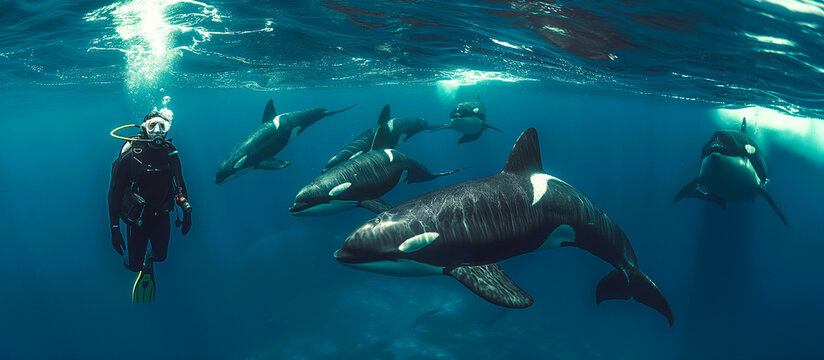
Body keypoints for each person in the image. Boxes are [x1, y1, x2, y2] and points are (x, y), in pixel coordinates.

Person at [108, 109, 192, 302]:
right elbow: (114, 192)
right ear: (144, 128)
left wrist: (187, 212)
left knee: (161, 256)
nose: (157, 131)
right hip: (137, 219)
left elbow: (180, 183)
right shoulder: (131, 154)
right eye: (152, 125)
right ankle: (139, 265)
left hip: (161, 215)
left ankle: (149, 262)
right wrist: (114, 228)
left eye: (163, 126)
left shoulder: (171, 153)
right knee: (133, 265)